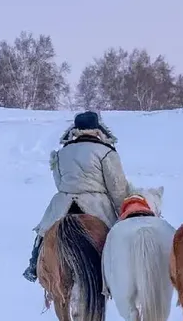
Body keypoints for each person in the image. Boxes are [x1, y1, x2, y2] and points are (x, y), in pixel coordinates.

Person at [22, 110, 133, 282]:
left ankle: (34, 265)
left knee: (43, 233)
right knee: (118, 238)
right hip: (96, 205)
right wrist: (124, 213)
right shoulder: (106, 152)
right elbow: (117, 188)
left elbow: (59, 183)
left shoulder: (62, 152)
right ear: (98, 129)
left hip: (63, 202)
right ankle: (127, 272)